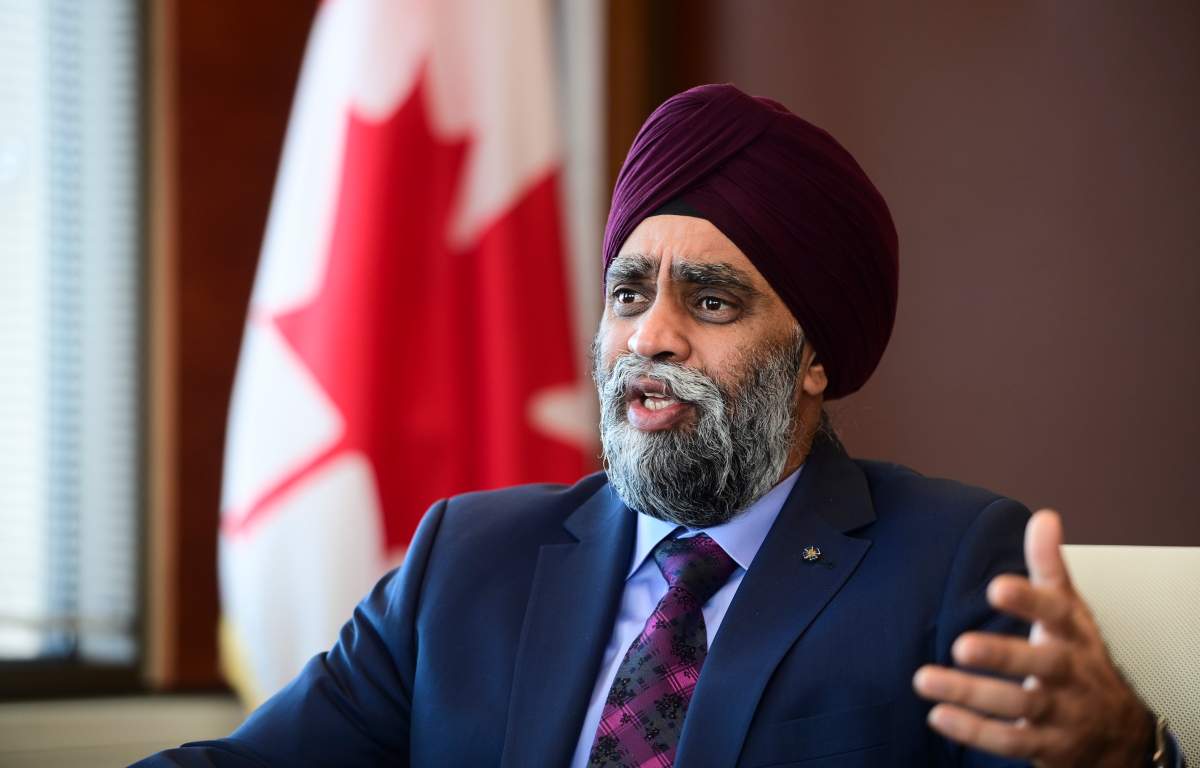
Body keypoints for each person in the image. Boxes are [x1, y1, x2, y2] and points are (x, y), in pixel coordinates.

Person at [135, 84, 1184, 767]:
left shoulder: (950, 564)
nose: (651, 337)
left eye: (711, 302)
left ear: (814, 358)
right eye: (629, 293)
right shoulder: (467, 559)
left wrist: (1126, 754)